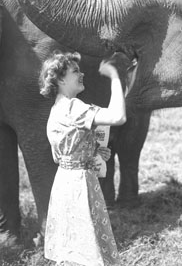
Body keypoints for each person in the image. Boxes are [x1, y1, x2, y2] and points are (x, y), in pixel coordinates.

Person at [39, 50, 127, 266]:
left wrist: (93, 153)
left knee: (73, 249)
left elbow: (60, 157)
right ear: (59, 79)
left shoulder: (58, 109)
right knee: (86, 252)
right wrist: (115, 77)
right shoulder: (72, 107)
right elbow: (118, 116)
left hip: (65, 184)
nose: (82, 74)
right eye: (75, 71)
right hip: (79, 187)